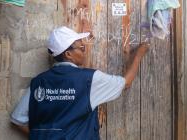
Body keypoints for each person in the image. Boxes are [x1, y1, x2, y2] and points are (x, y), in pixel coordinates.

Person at [10, 26, 149, 140]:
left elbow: (17, 120)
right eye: (81, 48)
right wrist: (138, 54)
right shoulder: (90, 79)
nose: (85, 51)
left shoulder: (38, 82)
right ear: (68, 54)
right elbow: (126, 83)